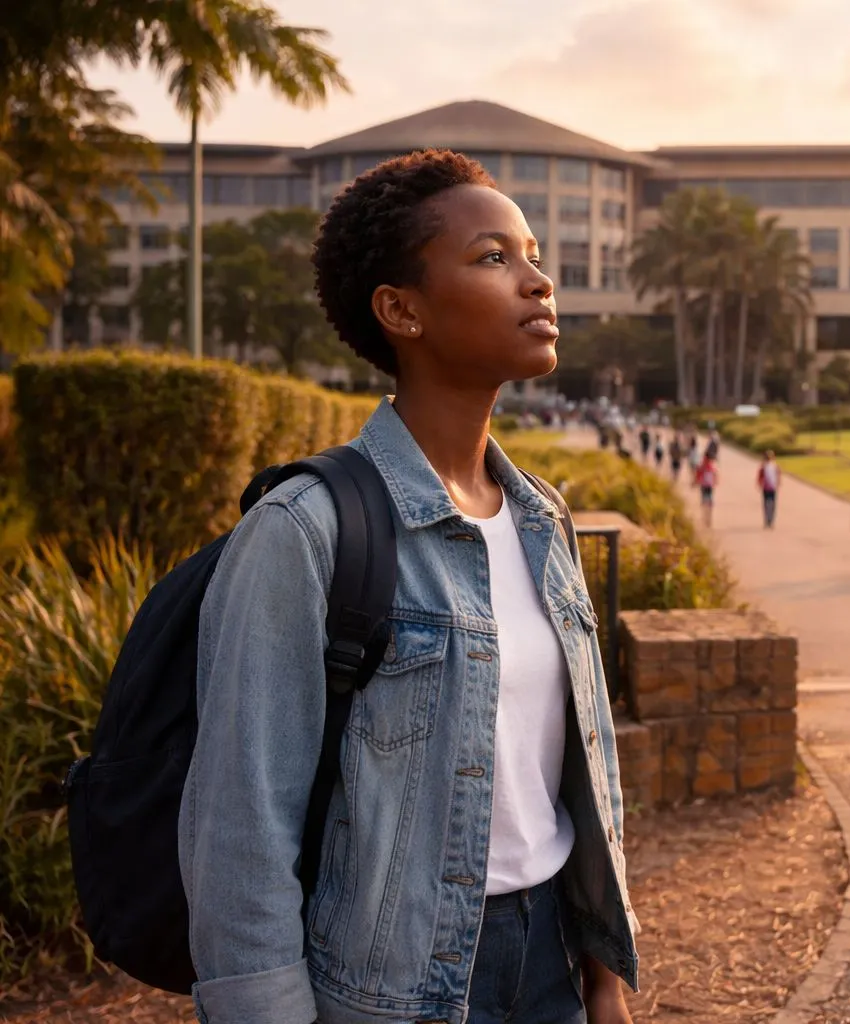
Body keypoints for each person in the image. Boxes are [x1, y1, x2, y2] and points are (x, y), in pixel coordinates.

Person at [181, 151, 637, 1024]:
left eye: (534, 254)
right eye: (494, 257)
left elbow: (578, 769)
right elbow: (239, 828)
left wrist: (602, 974)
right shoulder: (305, 530)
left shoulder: (543, 516)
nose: (539, 282)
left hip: (551, 966)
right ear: (401, 310)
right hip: (392, 988)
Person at [756, 450, 781, 528]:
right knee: (771, 505)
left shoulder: (768, 467)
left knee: (767, 504)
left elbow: (760, 477)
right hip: (770, 487)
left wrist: (760, 484)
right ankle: (769, 520)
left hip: (768, 487)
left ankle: (768, 520)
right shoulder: (771, 466)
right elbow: (778, 476)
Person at [695, 452, 719, 528]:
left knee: (708, 503)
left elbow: (715, 475)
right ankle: (706, 517)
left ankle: (708, 518)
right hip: (704, 486)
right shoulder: (703, 467)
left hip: (708, 487)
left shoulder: (710, 467)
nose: (705, 460)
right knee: (706, 503)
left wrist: (715, 481)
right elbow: (698, 475)